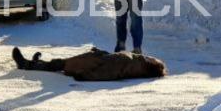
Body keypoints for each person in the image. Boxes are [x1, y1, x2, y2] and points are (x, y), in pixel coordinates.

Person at [11, 45, 165, 81]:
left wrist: (85, 76)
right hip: (94, 59)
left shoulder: (132, 62)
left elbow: (109, 72)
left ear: (151, 65)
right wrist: (101, 52)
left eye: (154, 59)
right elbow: (113, 58)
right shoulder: (135, 61)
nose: (152, 56)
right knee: (61, 64)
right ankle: (38, 63)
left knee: (62, 65)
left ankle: (27, 65)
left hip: (90, 66)